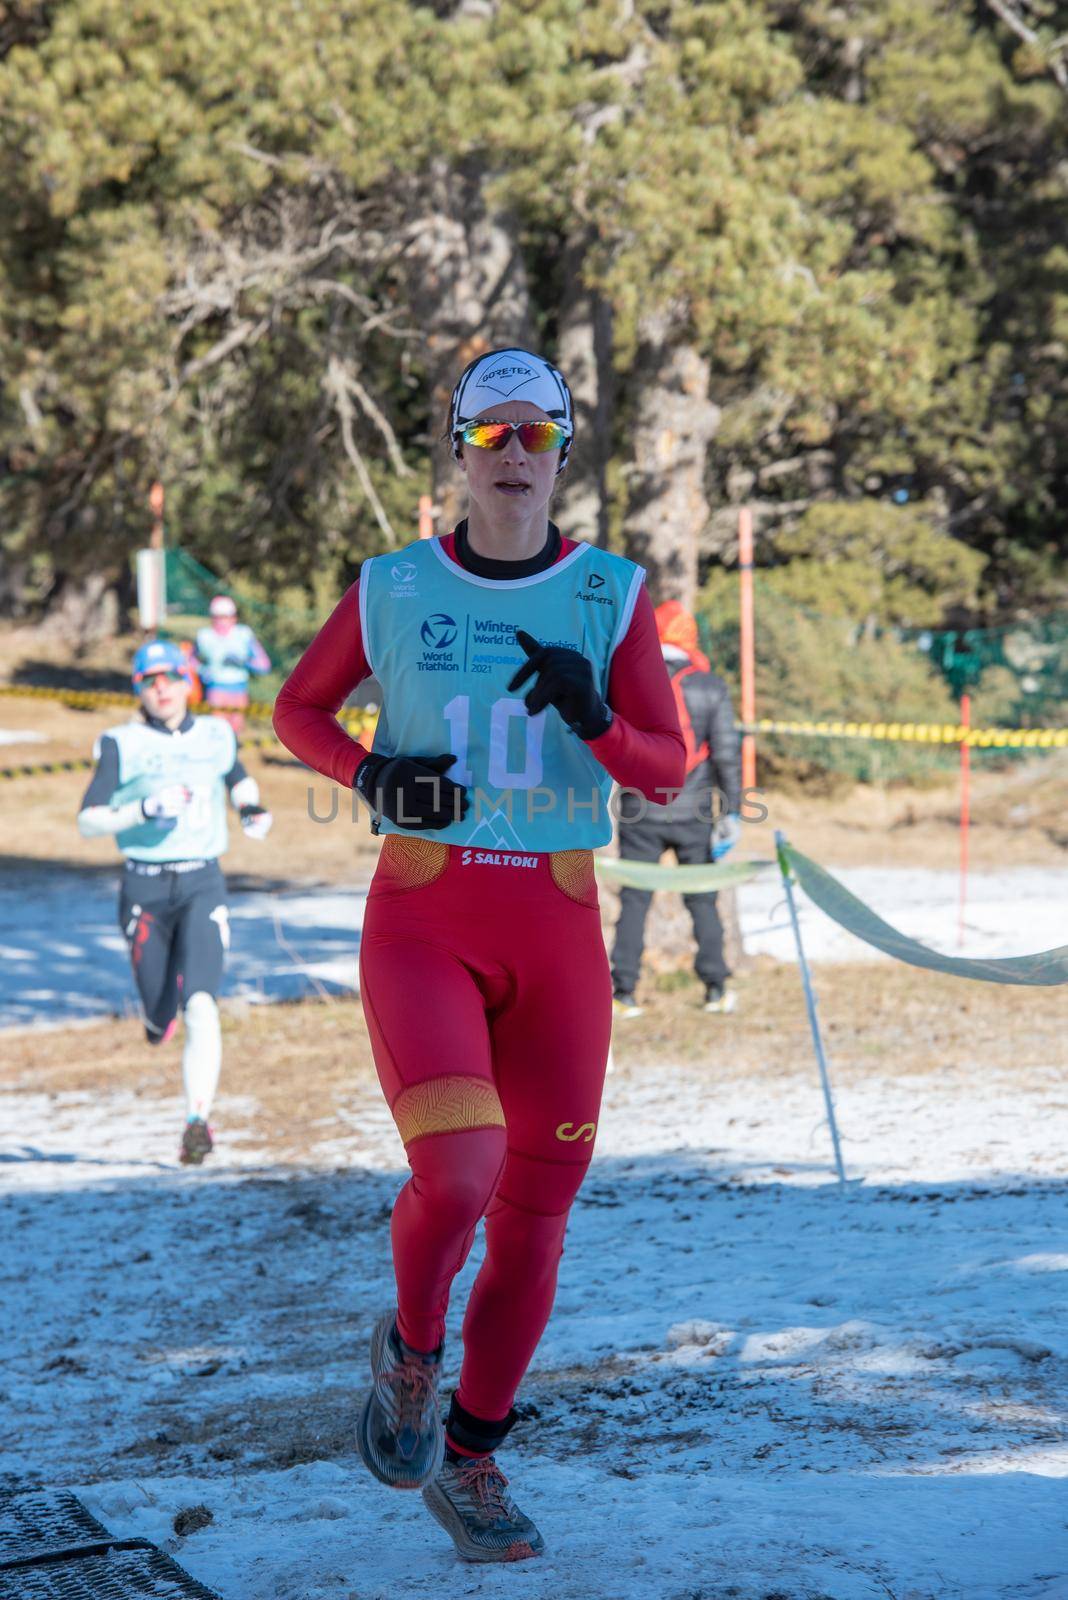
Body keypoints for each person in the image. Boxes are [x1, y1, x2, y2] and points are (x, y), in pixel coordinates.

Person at [274, 347, 684, 1563]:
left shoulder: (612, 591)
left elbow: (668, 766)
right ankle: (409, 1350)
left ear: (564, 453)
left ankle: (473, 1453)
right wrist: (368, 769)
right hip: (427, 917)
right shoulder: (393, 585)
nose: (515, 458)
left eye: (537, 436)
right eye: (491, 435)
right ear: (456, 449)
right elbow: (298, 710)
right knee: (458, 1171)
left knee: (537, 1220)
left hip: (556, 929)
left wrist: (599, 717)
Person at [76, 639, 273, 1164]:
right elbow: (87, 820)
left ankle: (197, 1121)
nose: (161, 688)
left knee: (202, 1006)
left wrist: (251, 806)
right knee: (161, 1008)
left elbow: (236, 773)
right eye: (149, 679)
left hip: (201, 882)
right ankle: (155, 1015)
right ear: (137, 687)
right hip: (143, 889)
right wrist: (142, 808)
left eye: (170, 677)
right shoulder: (120, 743)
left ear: (189, 681)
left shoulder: (215, 732)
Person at [610, 600, 742, 1018]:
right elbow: (725, 754)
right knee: (703, 900)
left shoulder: (630, 679)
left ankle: (623, 991)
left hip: (638, 810)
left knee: (634, 900)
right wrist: (732, 811)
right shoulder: (710, 687)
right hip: (695, 812)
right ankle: (716, 987)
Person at [194, 595, 271, 732]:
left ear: (234, 618)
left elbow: (264, 665)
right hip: (216, 689)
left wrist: (244, 663)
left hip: (239, 690)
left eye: (226, 617)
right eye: (217, 617)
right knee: (217, 731)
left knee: (235, 733)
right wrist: (202, 671)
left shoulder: (244, 635)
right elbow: (189, 661)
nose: (222, 622)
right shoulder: (204, 636)